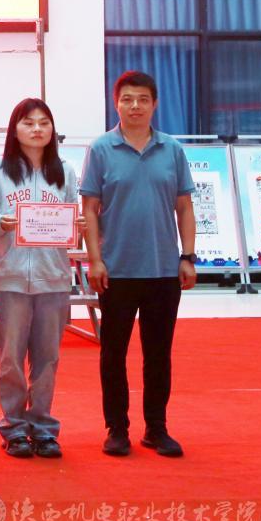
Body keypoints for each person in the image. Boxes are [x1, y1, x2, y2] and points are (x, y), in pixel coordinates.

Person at [81, 70, 196, 458]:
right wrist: (95, 260)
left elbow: (184, 207)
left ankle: (156, 428)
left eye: (143, 99)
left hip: (163, 269)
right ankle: (117, 429)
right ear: (116, 104)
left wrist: (187, 256)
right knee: (113, 354)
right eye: (127, 99)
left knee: (158, 354)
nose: (135, 106)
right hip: (116, 270)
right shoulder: (101, 149)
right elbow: (89, 209)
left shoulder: (172, 149)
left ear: (154, 104)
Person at [0, 98, 82, 459]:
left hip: (53, 277)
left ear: (52, 129)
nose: (37, 129)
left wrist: (76, 227)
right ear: (15, 129)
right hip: (10, 278)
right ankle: (13, 427)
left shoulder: (65, 171)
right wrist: (0, 222)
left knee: (47, 358)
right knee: (10, 359)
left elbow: (72, 219)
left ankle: (43, 427)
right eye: (28, 123)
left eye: (43, 123)